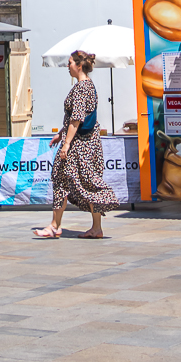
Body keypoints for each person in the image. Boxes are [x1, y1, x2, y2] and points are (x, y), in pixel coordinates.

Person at [32, 49, 118, 240]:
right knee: (89, 182)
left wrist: (66, 144)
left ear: (79, 66)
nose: (67, 66)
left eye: (70, 62)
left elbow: (76, 119)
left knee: (64, 179)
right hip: (89, 144)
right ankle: (93, 228)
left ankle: (55, 226)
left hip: (79, 145)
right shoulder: (89, 85)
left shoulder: (80, 88)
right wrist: (61, 134)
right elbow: (78, 117)